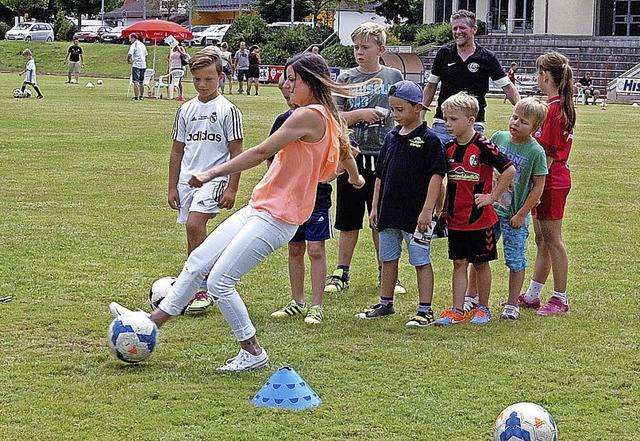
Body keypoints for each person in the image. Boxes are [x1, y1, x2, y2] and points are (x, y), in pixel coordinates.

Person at [110, 53, 370, 372]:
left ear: (311, 82)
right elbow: (345, 152)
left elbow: (261, 151)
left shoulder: (310, 116)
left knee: (220, 281)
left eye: (292, 79)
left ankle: (253, 351)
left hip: (278, 218)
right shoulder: (328, 118)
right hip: (261, 206)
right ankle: (150, 324)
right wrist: (355, 178)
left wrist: (210, 173)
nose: (284, 84)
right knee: (198, 261)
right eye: (285, 77)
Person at [421, 9, 520, 266]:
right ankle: (437, 217)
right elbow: (431, 85)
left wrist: (520, 108)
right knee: (435, 171)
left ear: (474, 29)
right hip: (443, 123)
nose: (457, 33)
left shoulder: (486, 58)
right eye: (454, 29)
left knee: (466, 174)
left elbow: (506, 87)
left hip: (475, 125)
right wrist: (422, 110)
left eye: (462, 28)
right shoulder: (444, 54)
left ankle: (465, 218)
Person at [355, 80, 446, 326]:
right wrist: (375, 207)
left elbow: (437, 176)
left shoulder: (430, 140)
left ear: (418, 108)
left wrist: (428, 210)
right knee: (387, 259)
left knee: (420, 259)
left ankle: (425, 310)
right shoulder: (391, 137)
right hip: (389, 212)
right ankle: (386, 303)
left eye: (400, 110)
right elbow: (380, 176)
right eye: (392, 109)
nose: (395, 115)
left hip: (416, 216)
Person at [325, 22, 404, 296]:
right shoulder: (345, 79)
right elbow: (334, 118)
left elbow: (405, 111)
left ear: (380, 49)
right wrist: (362, 114)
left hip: (385, 155)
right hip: (353, 155)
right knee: (348, 216)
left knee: (380, 216)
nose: (359, 52)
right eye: (356, 47)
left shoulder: (393, 76)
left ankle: (386, 270)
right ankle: (341, 270)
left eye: (365, 47)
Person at [167, 48, 244, 314]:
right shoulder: (185, 110)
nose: (203, 84)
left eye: (209, 79)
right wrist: (172, 187)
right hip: (188, 180)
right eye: (198, 79)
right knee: (192, 233)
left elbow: (237, 152)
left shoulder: (228, 110)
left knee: (195, 224)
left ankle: (202, 285)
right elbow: (177, 150)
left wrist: (233, 187)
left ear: (220, 77)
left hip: (215, 179)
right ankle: (198, 282)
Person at [432, 92, 515, 326]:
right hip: (456, 217)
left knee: (480, 263)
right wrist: (444, 209)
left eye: (453, 119)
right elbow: (449, 182)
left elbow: (509, 170)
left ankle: (482, 307)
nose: (447, 124)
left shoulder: (483, 146)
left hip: (480, 218)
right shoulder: (448, 148)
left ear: (470, 120)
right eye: (445, 118)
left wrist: (492, 197)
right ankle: (457, 309)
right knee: (459, 263)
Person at [269, 76, 336, 325]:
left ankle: (316, 305)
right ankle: (297, 301)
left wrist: (329, 175)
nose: (290, 101)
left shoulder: (324, 119)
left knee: (316, 249)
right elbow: (270, 155)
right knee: (294, 247)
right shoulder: (283, 121)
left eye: (291, 94)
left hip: (317, 197)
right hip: (290, 197)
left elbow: (344, 154)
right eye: (285, 98)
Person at [520, 52, 577, 316]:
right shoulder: (555, 105)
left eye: (537, 73)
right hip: (548, 181)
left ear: (545, 75)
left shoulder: (553, 110)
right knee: (542, 239)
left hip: (551, 182)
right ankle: (533, 293)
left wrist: (536, 187)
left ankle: (560, 297)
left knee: (553, 240)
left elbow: (550, 155)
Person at [489, 97, 549, 320]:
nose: (515, 123)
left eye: (523, 122)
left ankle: (512, 304)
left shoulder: (536, 152)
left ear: (535, 127)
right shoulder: (498, 138)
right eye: (514, 117)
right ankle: (472, 297)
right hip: (490, 210)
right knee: (480, 255)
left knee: (515, 260)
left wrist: (522, 213)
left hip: (513, 215)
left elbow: (538, 186)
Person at [127, 33, 148, 101]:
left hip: (136, 65)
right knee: (141, 81)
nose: (129, 40)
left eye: (130, 38)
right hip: (143, 65)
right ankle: (141, 96)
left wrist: (128, 60)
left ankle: (136, 96)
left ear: (133, 38)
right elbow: (146, 55)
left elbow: (129, 54)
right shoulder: (142, 45)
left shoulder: (134, 45)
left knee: (135, 81)